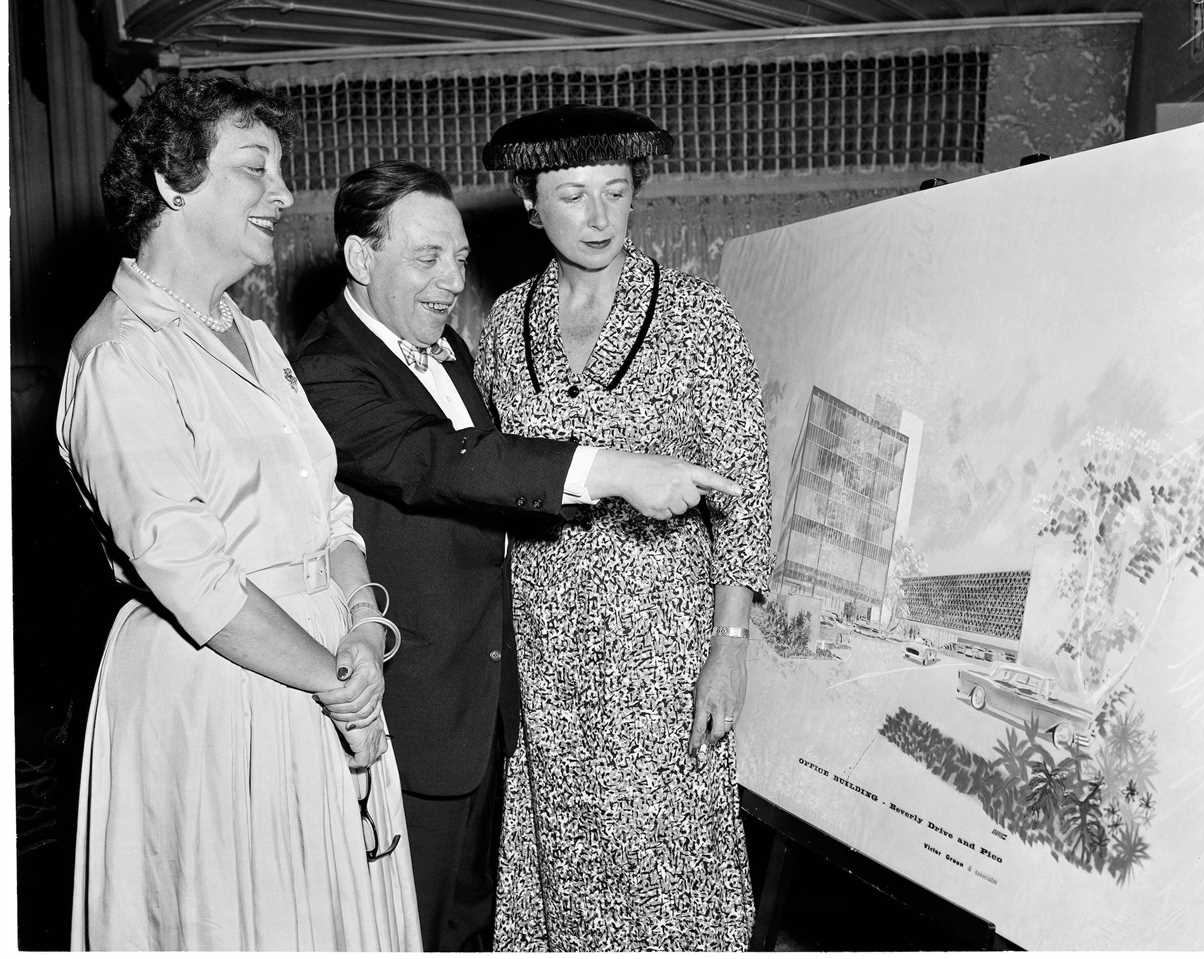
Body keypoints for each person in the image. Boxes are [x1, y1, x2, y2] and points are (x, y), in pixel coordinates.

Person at [291, 160, 739, 950]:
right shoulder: (327, 369)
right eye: (427, 258)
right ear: (363, 260)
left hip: (492, 704)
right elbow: (447, 463)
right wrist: (614, 471)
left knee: (472, 927)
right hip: (413, 715)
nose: (449, 279)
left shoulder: (446, 346)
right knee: (408, 932)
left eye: (459, 257)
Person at [57, 76, 419, 950]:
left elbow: (326, 508)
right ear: (175, 183)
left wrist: (364, 630)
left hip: (328, 674)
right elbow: (200, 580)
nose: (287, 194)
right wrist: (340, 686)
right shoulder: (120, 359)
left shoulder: (250, 335)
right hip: (219, 693)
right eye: (255, 168)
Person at [476, 104, 773, 950]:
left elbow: (743, 492)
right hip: (545, 646)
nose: (599, 217)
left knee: (661, 854)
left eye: (615, 192)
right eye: (572, 195)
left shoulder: (694, 319)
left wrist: (731, 642)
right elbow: (495, 476)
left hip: (664, 641)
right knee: (561, 847)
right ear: (531, 203)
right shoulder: (504, 326)